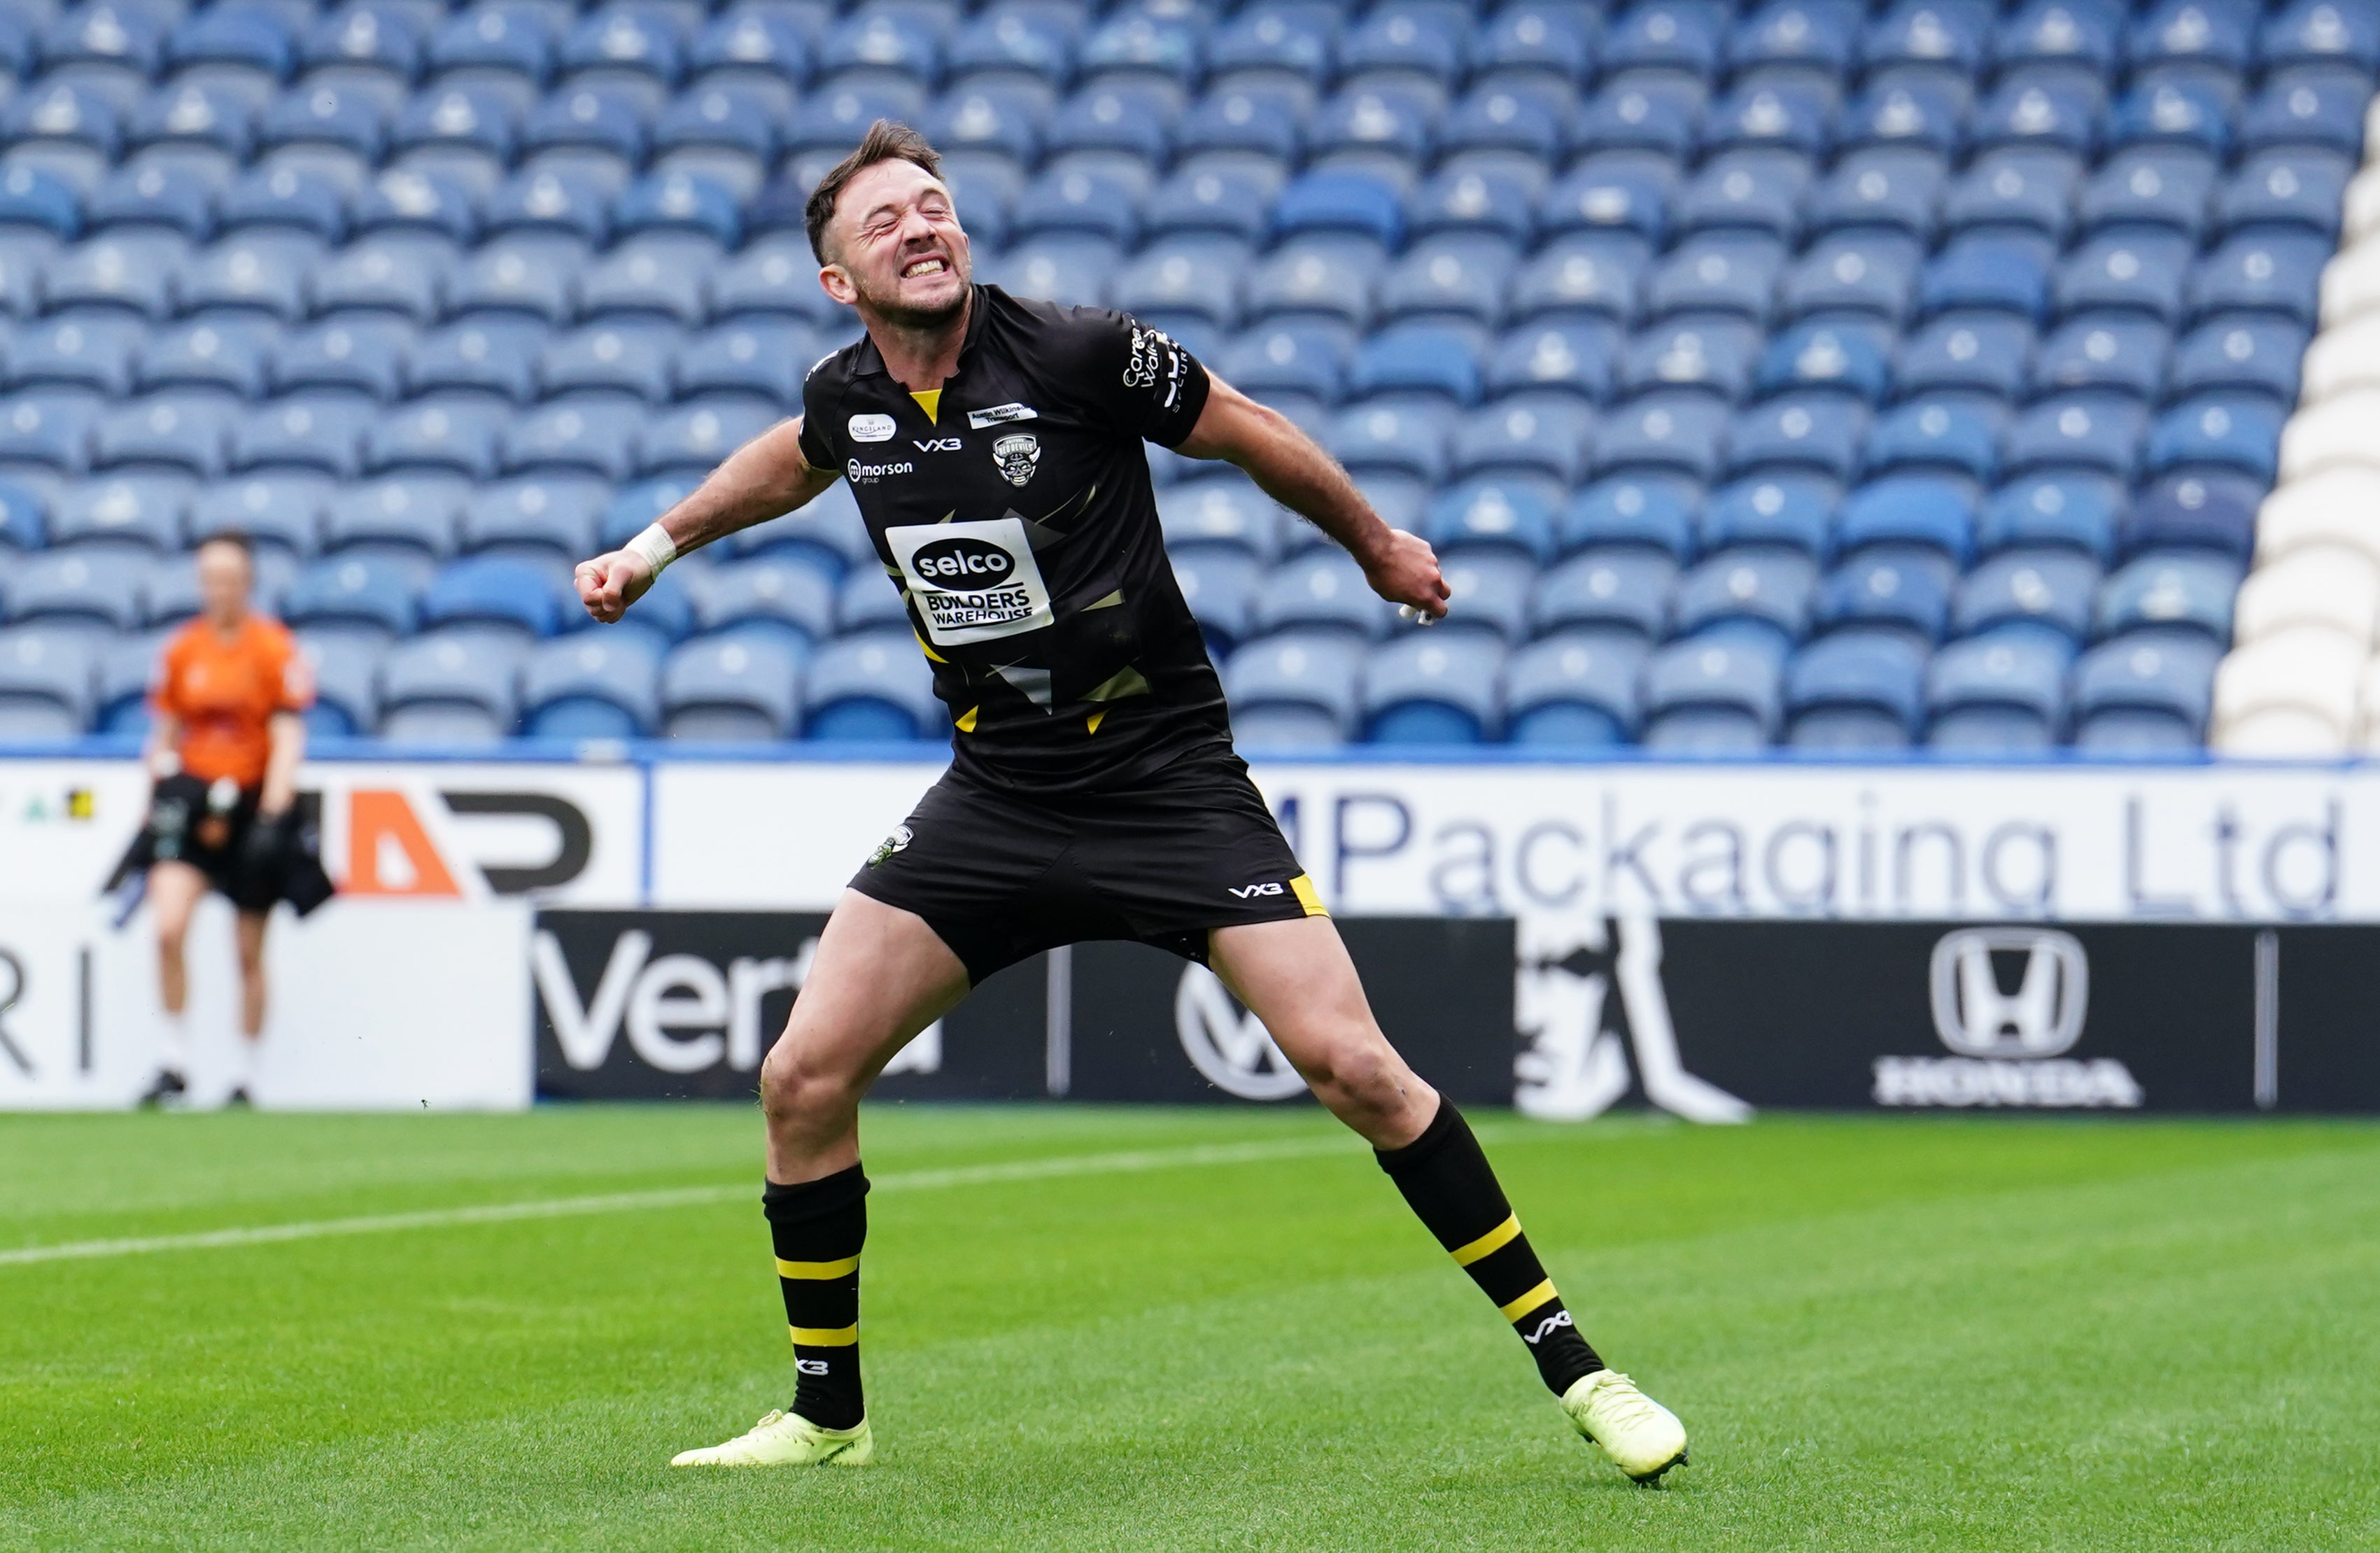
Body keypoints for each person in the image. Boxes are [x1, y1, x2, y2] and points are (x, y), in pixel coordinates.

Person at [575, 122, 1689, 1484]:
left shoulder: (1076, 349)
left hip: (1167, 781)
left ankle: (1579, 1365)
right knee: (801, 1075)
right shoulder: (846, 399)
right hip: (995, 792)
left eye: (935, 207)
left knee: (1354, 1066)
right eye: (886, 222)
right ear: (837, 279)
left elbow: (1250, 432)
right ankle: (825, 1409)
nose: (923, 228)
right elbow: (792, 458)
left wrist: (1377, 544)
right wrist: (650, 546)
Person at [133, 533, 313, 1108]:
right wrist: (154, 791)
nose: (220, 589)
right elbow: (164, 734)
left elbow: (286, 735)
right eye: (210, 577)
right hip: (191, 803)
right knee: (167, 927)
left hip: (250, 803)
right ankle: (174, 1060)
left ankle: (246, 1073)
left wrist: (273, 813)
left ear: (248, 582)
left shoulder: (272, 648)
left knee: (247, 951)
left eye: (230, 578)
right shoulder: (184, 650)